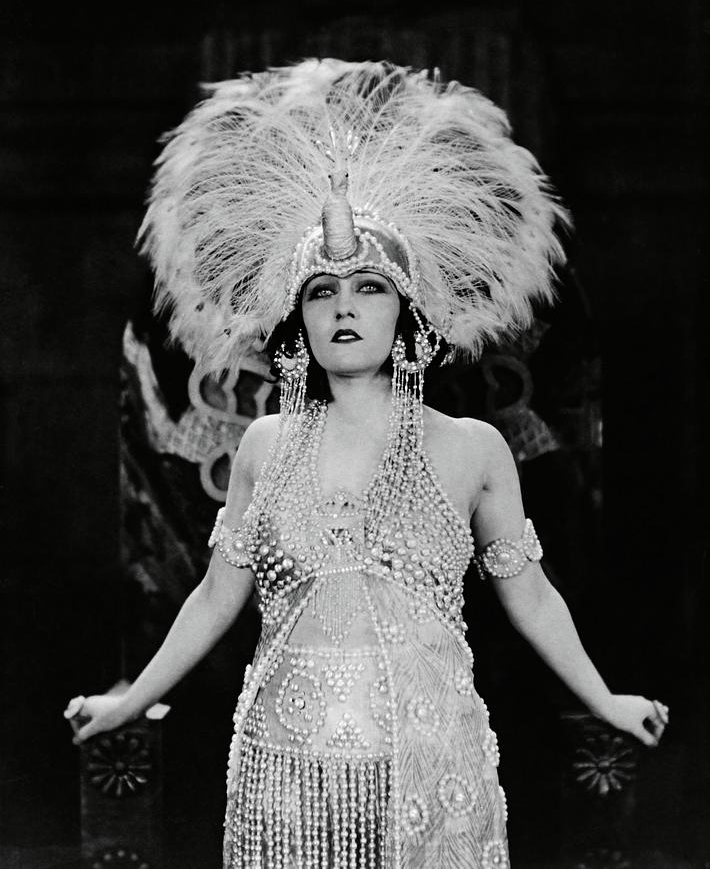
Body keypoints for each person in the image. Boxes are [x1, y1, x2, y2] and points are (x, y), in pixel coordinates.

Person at [65, 60, 668, 869]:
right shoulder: (264, 447)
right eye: (322, 292)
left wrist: (606, 699)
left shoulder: (472, 450)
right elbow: (214, 599)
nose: (345, 307)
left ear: (408, 314)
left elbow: (531, 596)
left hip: (432, 767)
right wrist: (127, 701)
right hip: (286, 771)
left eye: (370, 288)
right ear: (298, 323)